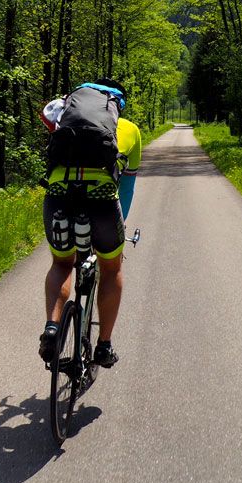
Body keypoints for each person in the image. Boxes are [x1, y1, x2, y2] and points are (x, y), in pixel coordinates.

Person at [38, 78, 141, 368]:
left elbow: (46, 118)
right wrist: (120, 228)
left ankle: (52, 328)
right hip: (102, 203)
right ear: (115, 105)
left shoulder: (62, 119)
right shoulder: (130, 129)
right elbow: (128, 188)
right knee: (111, 269)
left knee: (61, 264)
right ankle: (104, 346)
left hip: (59, 195)